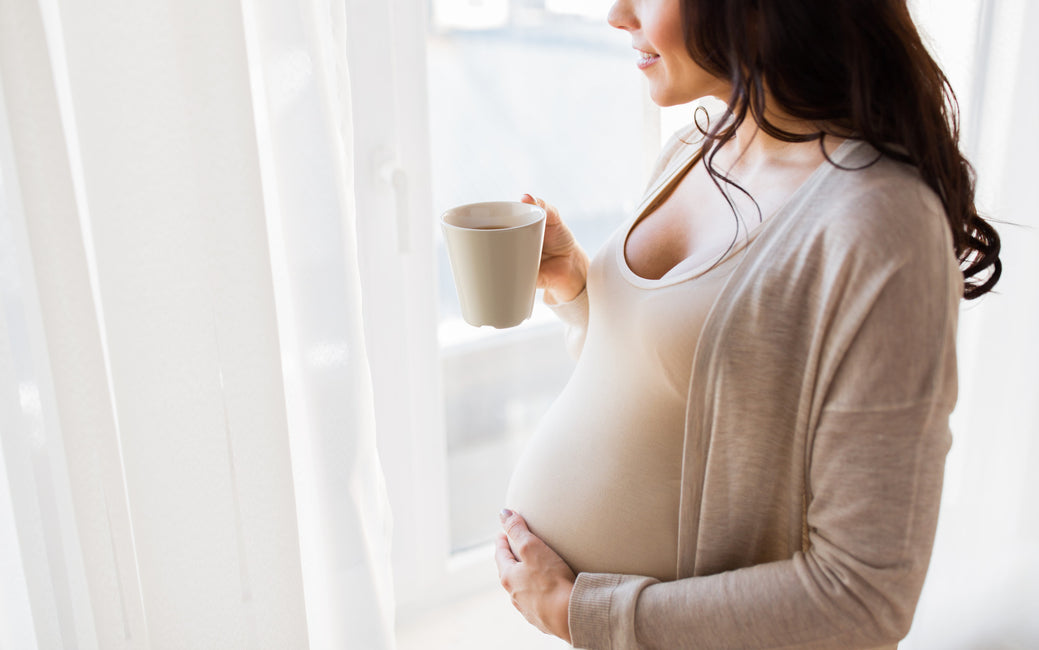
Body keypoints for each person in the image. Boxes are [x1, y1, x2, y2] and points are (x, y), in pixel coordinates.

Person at [492, 0, 1002, 648]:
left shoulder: (881, 225)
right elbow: (686, 388)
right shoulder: (694, 147)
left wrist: (579, 612)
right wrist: (577, 289)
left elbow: (863, 599)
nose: (617, 15)